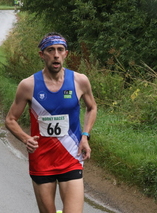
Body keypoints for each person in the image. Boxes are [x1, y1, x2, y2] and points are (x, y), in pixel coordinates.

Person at [5, 32, 97, 213]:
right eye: (50, 50)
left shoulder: (79, 81)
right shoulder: (28, 85)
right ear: (42, 54)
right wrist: (25, 139)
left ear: (66, 54)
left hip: (71, 157)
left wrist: (85, 136)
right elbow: (10, 119)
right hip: (42, 159)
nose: (56, 54)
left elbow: (92, 107)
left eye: (60, 50)